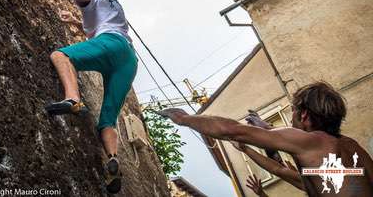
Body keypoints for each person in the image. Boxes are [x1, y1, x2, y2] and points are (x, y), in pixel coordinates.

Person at [19, 0, 138, 194]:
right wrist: (76, 22)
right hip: (128, 59)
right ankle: (112, 159)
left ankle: (73, 99)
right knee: (108, 120)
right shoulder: (112, 1)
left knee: (61, 55)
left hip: (111, 44)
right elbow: (100, 29)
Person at [158, 82, 373, 196]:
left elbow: (233, 130)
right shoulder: (351, 152)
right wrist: (250, 147)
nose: (291, 119)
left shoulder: (313, 143)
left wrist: (184, 118)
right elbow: (281, 171)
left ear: (304, 115)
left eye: (293, 113)